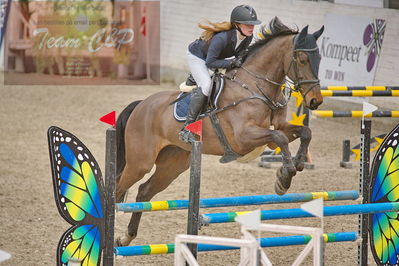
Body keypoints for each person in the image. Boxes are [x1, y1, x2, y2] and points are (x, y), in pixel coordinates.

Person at [179, 5, 262, 143]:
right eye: (248, 24)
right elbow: (210, 63)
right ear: (236, 24)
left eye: (253, 24)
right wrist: (231, 63)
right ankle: (187, 128)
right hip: (198, 57)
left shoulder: (247, 36)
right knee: (206, 86)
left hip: (216, 58)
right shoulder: (222, 38)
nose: (251, 27)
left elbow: (238, 57)